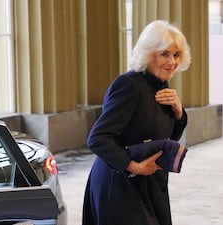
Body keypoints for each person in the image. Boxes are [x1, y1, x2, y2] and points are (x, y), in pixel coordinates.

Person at [82, 20, 191, 225]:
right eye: (164, 54)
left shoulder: (161, 86)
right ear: (148, 54)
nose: (172, 62)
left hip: (150, 185)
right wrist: (135, 167)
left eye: (176, 55)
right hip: (120, 184)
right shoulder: (128, 85)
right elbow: (97, 139)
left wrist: (179, 113)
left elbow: (165, 138)